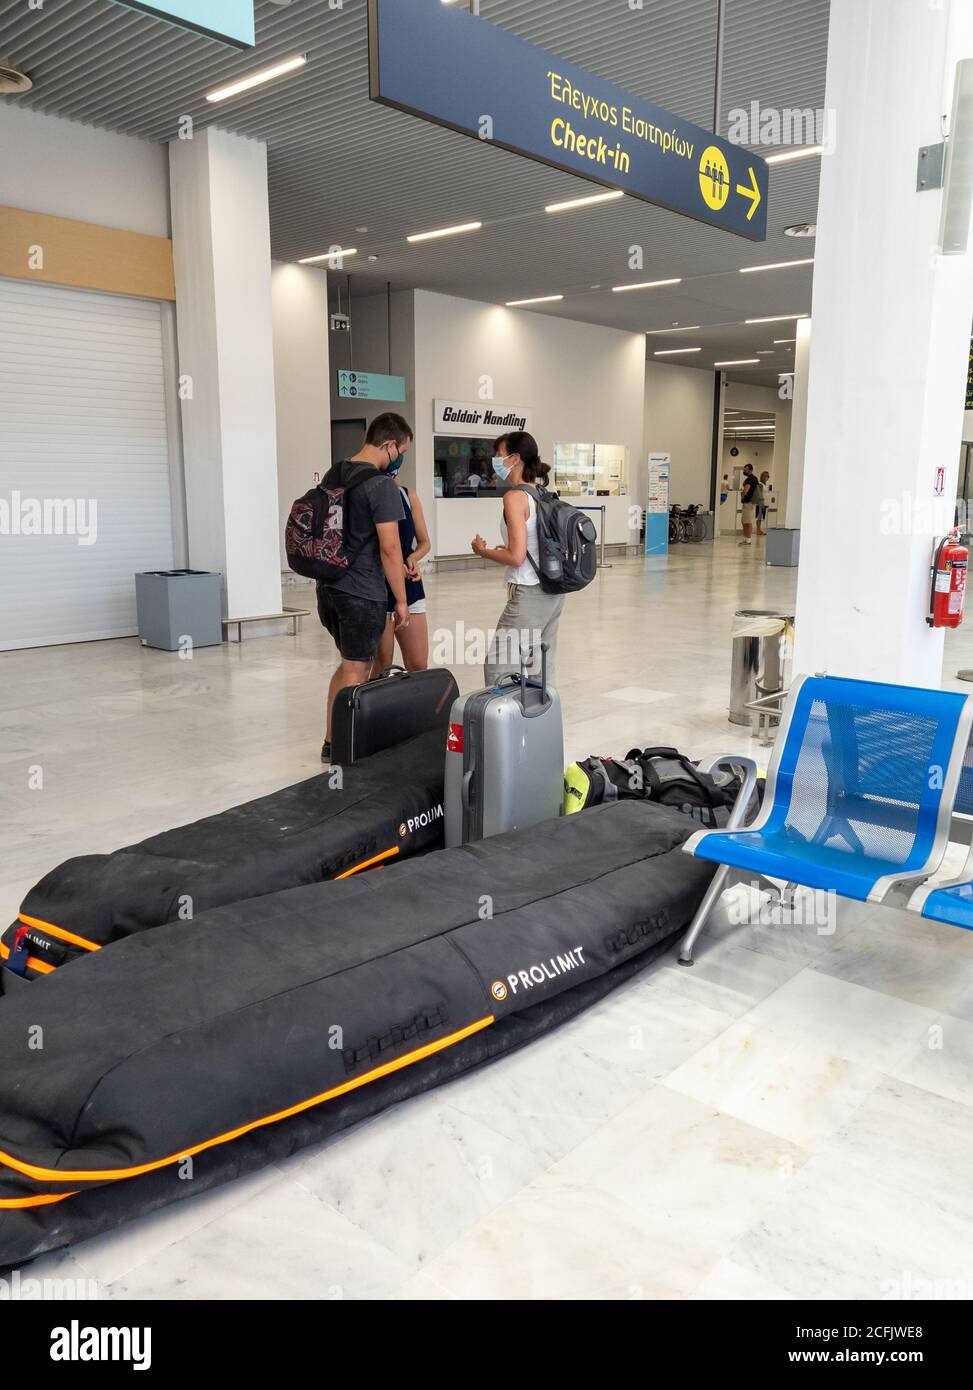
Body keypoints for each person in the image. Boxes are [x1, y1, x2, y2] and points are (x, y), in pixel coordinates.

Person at [316, 413, 412, 762]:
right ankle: (345, 747)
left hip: (328, 586)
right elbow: (390, 548)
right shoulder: (381, 485)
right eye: (401, 450)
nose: (400, 457)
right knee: (357, 669)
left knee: (348, 664)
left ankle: (331, 740)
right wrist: (401, 600)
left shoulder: (335, 472)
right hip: (360, 590)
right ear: (389, 445)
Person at [471, 431, 565, 687]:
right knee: (540, 666)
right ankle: (540, 721)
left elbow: (516, 556)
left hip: (529, 592)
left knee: (498, 667)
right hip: (552, 591)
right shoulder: (542, 493)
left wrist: (483, 551)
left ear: (515, 458)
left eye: (499, 455)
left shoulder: (514, 497)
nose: (495, 460)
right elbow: (531, 544)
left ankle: (499, 724)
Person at [372, 475, 431, 674]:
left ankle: (414, 703)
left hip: (409, 584)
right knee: (382, 666)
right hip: (377, 585)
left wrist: (412, 558)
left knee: (418, 665)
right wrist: (394, 565)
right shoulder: (368, 495)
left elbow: (424, 542)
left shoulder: (408, 495)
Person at [739, 464, 759, 546]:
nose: (744, 471)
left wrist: (742, 494)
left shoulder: (750, 479)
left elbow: (745, 491)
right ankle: (746, 538)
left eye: (746, 470)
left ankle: (748, 540)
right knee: (744, 520)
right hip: (751, 502)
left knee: (747, 521)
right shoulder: (754, 478)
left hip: (748, 502)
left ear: (750, 470)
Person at [756, 470, 771, 535]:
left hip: (765, 503)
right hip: (760, 503)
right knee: (759, 516)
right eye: (765, 476)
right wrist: (761, 503)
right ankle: (758, 530)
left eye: (767, 476)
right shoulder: (760, 484)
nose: (766, 477)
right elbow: (759, 494)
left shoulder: (765, 485)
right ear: (762, 477)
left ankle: (759, 529)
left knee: (761, 517)